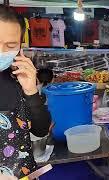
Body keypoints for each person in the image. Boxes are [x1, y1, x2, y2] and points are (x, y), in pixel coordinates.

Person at [0, 5, 51, 179]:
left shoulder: (18, 78)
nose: (1, 51)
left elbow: (41, 130)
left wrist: (31, 90)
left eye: (10, 45)